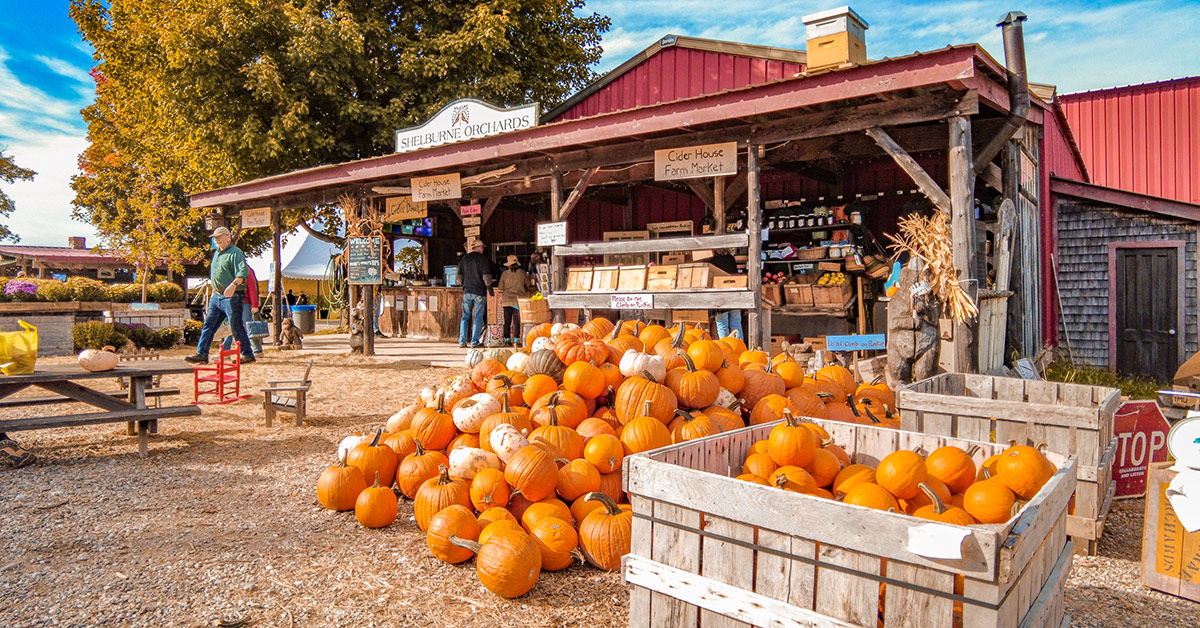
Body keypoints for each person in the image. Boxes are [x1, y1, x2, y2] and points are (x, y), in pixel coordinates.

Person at [185, 227, 256, 364]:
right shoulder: (217, 253)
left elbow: (243, 272)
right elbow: (216, 275)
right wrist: (213, 292)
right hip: (217, 296)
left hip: (232, 296)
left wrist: (233, 286)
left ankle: (247, 354)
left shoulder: (236, 253)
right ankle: (202, 354)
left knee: (236, 325)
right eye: (215, 237)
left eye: (219, 237)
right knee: (208, 325)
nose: (216, 239)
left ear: (228, 237)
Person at [457, 241, 494, 348]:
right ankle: (474, 342)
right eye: (482, 247)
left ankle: (462, 341)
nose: (483, 249)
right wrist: (490, 291)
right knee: (478, 317)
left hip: (467, 291)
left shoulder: (464, 259)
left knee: (465, 317)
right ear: (480, 247)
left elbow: (459, 277)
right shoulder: (482, 259)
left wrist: (463, 286)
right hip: (479, 292)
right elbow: (486, 277)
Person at [220, 266, 263, 356]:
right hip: (231, 302)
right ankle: (225, 351)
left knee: (248, 326)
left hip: (244, 303)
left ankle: (257, 349)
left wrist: (254, 304)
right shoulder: (230, 270)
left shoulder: (247, 271)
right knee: (229, 326)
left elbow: (252, 288)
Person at [709, 248, 744, 340]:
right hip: (734, 292)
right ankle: (739, 347)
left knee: (722, 324)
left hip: (719, 295)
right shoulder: (731, 258)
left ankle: (725, 348)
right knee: (736, 323)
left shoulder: (712, 261)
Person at [497, 255, 528, 347]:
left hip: (506, 300)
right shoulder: (522, 273)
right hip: (517, 301)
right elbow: (528, 284)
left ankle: (507, 340)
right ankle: (516, 340)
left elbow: (500, 288)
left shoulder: (504, 274)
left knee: (507, 321)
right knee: (516, 321)